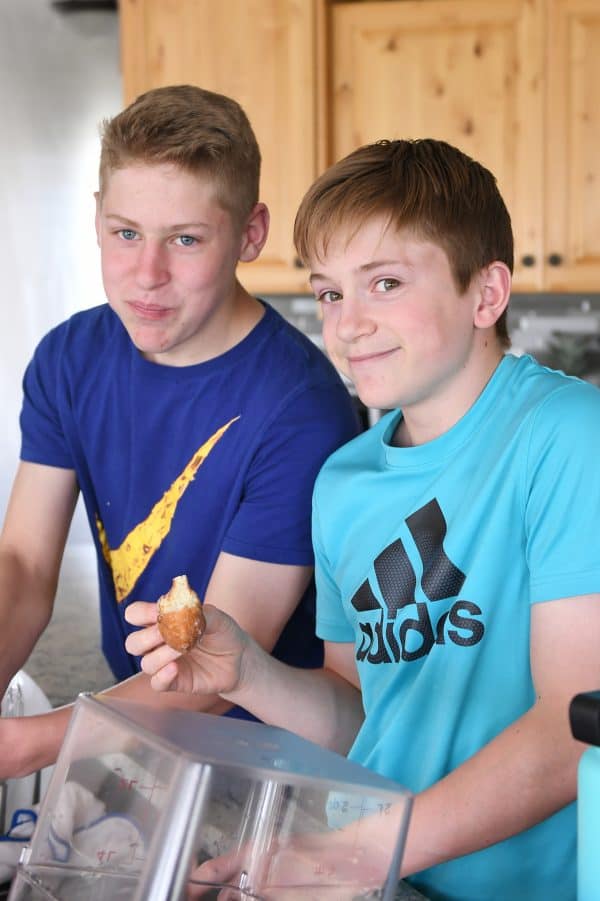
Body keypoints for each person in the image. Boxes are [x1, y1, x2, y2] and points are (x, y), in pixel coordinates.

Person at [127, 138, 600, 900]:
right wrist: (248, 670)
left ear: (486, 294)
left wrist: (356, 852)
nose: (346, 326)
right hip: (393, 880)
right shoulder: (344, 482)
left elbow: (573, 730)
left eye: (384, 282)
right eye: (331, 292)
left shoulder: (568, 435)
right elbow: (363, 718)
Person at [0, 85, 358, 780]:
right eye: (126, 233)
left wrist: (31, 744)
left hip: (268, 766)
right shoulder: (69, 359)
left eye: (185, 239)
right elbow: (24, 565)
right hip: (130, 731)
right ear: (97, 220)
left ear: (250, 234)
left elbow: (217, 666)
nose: (147, 275)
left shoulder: (301, 407)